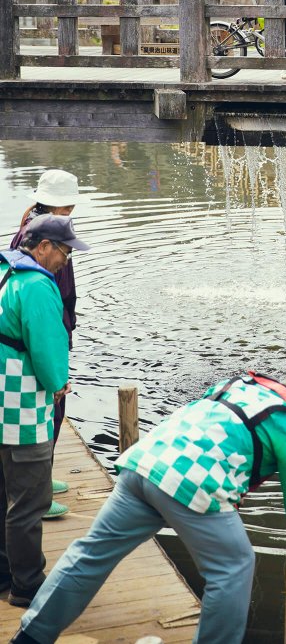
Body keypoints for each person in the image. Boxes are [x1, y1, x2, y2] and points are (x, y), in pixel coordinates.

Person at [12, 367, 286, 644]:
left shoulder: (241, 384)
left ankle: (30, 636)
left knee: (92, 553)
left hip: (145, 463)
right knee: (234, 566)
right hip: (190, 482)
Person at [0, 214, 90, 609]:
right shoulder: (37, 285)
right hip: (19, 410)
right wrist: (58, 384)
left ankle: (4, 574)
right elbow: (48, 350)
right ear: (43, 247)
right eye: (65, 252)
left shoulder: (5, 272)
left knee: (2, 496)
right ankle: (28, 584)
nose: (66, 261)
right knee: (29, 501)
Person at [9, 171, 79, 521]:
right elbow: (52, 299)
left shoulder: (33, 225)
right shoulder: (45, 240)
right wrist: (57, 377)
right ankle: (37, 492)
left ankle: (41, 479)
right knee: (50, 408)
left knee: (49, 412)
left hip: (44, 329)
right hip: (45, 331)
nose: (66, 256)